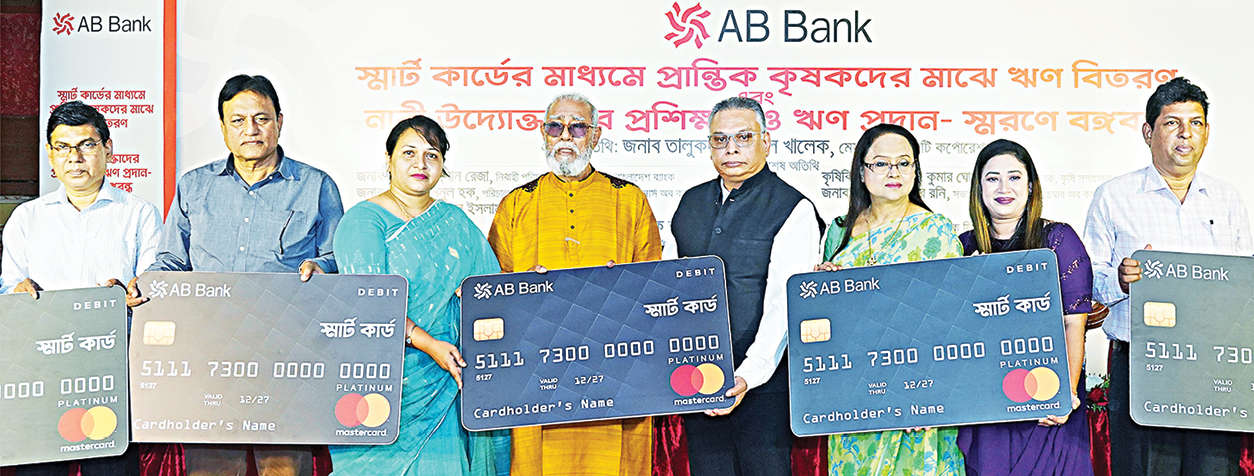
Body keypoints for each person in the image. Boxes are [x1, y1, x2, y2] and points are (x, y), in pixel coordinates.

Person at [138, 74, 343, 476]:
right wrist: (143, 285)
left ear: (279, 122)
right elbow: (172, 261)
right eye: (238, 120)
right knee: (213, 468)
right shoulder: (194, 186)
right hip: (210, 357)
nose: (251, 129)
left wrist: (322, 268)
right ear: (223, 127)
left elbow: (336, 259)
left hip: (287, 358)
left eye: (261, 118)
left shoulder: (315, 186)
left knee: (284, 468)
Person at [488, 93, 661, 476]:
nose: (565, 135)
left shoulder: (628, 199)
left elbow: (654, 293)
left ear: (595, 136)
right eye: (556, 126)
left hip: (614, 376)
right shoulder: (517, 203)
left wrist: (622, 286)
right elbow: (494, 296)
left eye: (578, 127)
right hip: (538, 379)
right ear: (543, 134)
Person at [1085, 76, 1250, 476]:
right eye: (1172, 123)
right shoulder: (1114, 196)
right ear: (1148, 132)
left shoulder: (1227, 199)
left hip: (1214, 367)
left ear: (1207, 133)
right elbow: (1090, 280)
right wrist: (1120, 281)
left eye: (1195, 123)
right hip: (1143, 366)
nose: (1185, 134)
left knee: (1215, 468)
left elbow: (1244, 284)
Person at [328, 115, 509, 475]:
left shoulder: (454, 222)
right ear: (389, 160)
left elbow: (491, 292)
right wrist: (429, 345)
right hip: (386, 386)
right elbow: (371, 306)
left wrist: (535, 283)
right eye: (409, 153)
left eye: (432, 155)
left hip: (450, 379)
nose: (420, 164)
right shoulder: (363, 222)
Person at [1, 100, 160, 476]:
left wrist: (134, 295)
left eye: (87, 145)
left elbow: (153, 291)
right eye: (63, 147)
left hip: (110, 375)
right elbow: (8, 289)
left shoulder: (139, 214)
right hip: (42, 374)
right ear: (50, 155)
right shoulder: (27, 218)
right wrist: (16, 293)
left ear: (108, 149)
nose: (74, 157)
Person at [667, 96, 822, 476]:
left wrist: (748, 375)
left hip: (764, 388)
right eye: (720, 139)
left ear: (765, 141)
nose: (731, 148)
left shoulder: (793, 208)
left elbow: (785, 304)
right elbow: (669, 290)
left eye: (743, 137)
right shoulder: (690, 202)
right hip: (699, 381)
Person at [817, 124, 964, 475]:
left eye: (904, 163)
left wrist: (927, 393)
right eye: (881, 163)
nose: (894, 172)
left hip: (917, 393)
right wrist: (821, 289)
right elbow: (826, 320)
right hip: (855, 394)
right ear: (861, 172)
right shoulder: (839, 231)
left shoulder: (935, 231)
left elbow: (949, 320)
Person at [956, 139, 1094, 475]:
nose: (1004, 188)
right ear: (978, 188)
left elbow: (1073, 323)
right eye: (992, 178)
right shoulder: (962, 248)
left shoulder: (1058, 240)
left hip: (1047, 405)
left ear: (1031, 186)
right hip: (987, 410)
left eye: (1014, 177)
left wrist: (1064, 395)